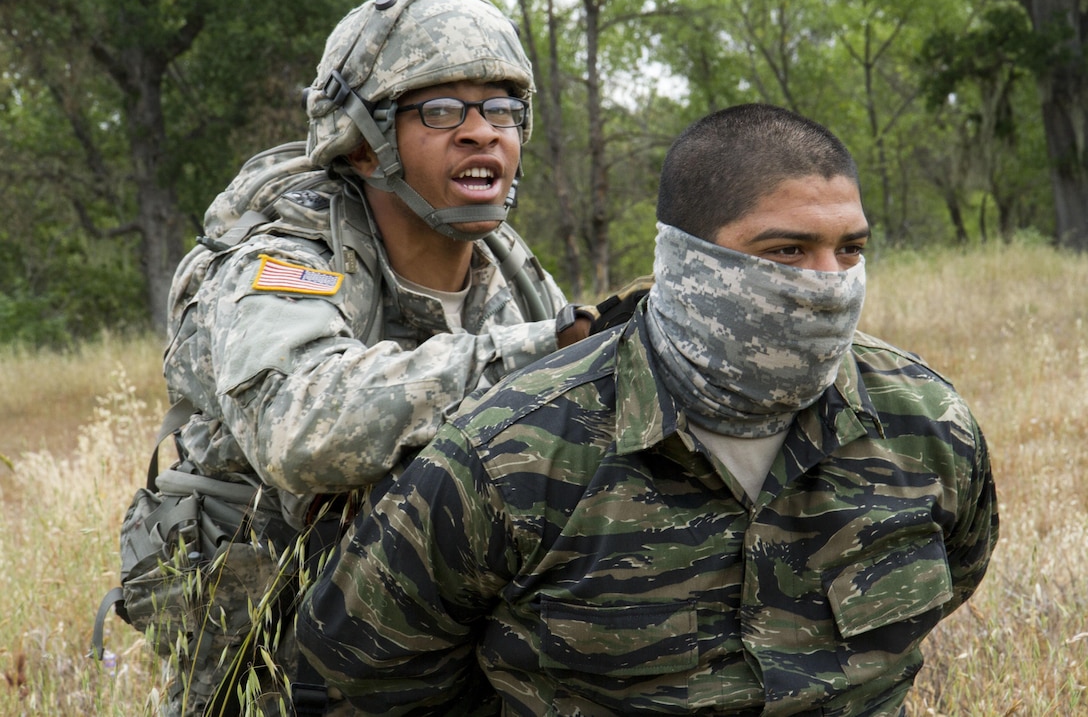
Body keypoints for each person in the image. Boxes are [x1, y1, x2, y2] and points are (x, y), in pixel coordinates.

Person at [296, 103, 1000, 716]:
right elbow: (362, 676)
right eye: (786, 250)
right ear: (688, 261)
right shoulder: (512, 453)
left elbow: (956, 572)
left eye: (850, 250)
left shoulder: (926, 426)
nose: (829, 286)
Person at [125, 0, 623, 714]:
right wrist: (533, 356)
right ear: (364, 141)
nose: (482, 133)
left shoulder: (505, 266)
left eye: (503, 109)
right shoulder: (285, 259)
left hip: (444, 652)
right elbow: (303, 429)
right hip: (280, 665)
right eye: (443, 111)